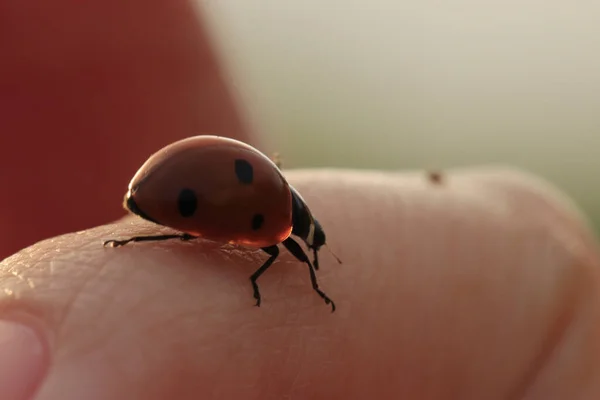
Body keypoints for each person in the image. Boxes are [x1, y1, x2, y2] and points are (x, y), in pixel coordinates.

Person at [1, 2, 599, 399]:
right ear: (300, 227)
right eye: (309, 243)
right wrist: (288, 284)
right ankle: (147, 236)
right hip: (161, 192)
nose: (307, 250)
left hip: (157, 186)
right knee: (189, 240)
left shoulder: (274, 205)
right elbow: (265, 247)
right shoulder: (276, 217)